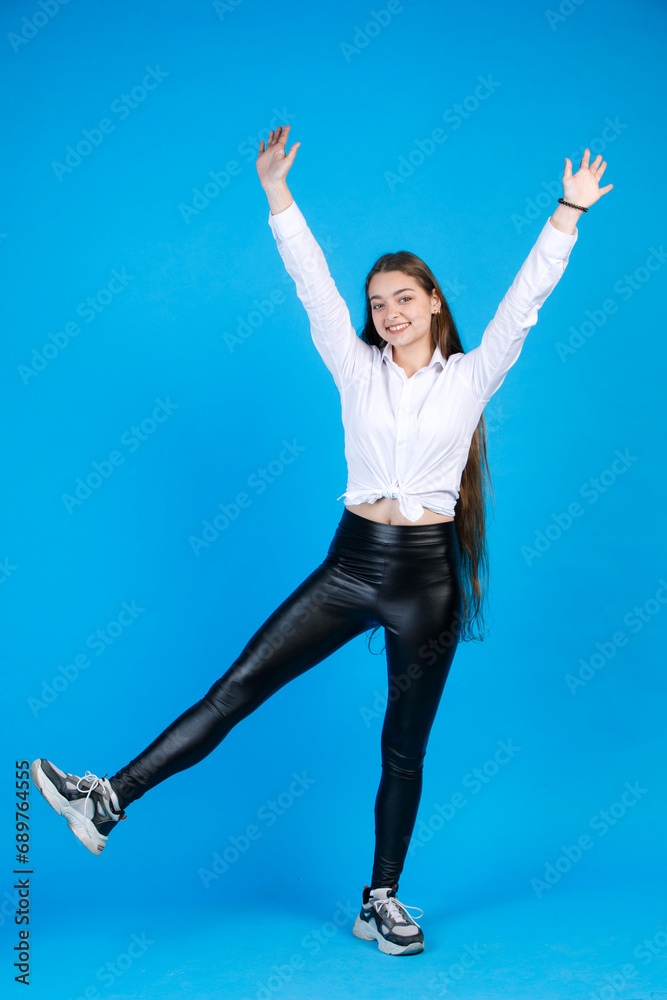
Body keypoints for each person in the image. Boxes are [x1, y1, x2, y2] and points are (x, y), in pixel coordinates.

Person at [31, 125, 613, 957]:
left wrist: (566, 212)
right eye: (377, 302)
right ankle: (107, 801)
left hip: (426, 584)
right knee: (236, 688)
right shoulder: (353, 364)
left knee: (401, 747)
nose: (387, 312)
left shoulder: (472, 376)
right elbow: (309, 285)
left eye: (402, 298)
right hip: (351, 566)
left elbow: (526, 300)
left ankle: (380, 899)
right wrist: (276, 194)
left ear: (434, 304)